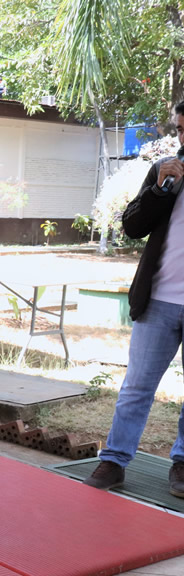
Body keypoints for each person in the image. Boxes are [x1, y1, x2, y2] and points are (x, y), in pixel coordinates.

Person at [84, 100, 184, 495]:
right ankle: (114, 461)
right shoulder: (165, 171)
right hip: (158, 301)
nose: (182, 136)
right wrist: (160, 189)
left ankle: (181, 465)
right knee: (137, 385)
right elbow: (131, 226)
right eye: (180, 128)